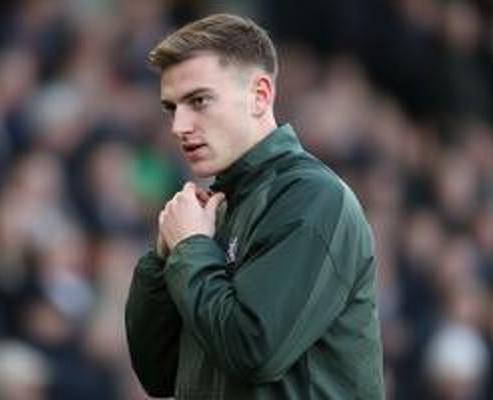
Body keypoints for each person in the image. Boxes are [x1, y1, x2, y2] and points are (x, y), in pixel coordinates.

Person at [125, 13, 384, 399]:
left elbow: (254, 351)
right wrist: (163, 261)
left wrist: (190, 249)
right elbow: (158, 372)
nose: (179, 126)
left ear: (260, 95)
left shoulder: (312, 198)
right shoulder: (213, 210)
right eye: (172, 108)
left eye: (199, 101)